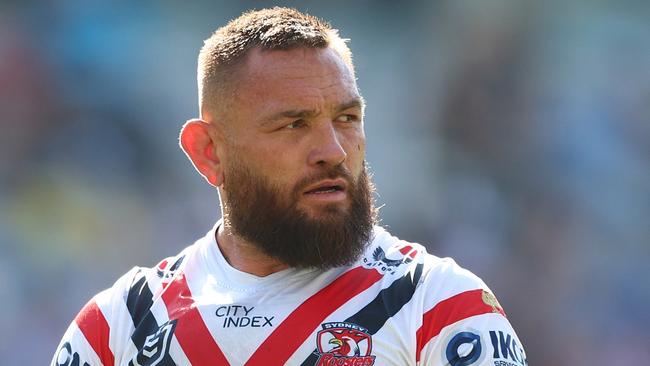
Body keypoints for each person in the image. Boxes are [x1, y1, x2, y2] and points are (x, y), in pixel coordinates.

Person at [52, 7, 527, 366]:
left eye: (347, 119)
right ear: (208, 151)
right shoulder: (120, 329)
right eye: (293, 125)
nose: (334, 151)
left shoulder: (438, 308)